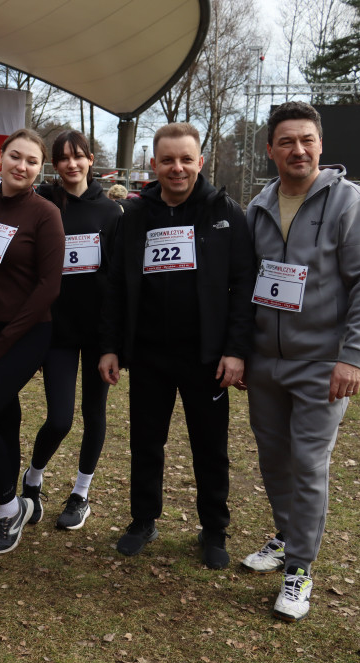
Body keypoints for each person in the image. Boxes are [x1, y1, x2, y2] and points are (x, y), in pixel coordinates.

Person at [242, 101, 360, 622]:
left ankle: (300, 567)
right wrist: (241, 352)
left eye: (306, 140)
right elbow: (243, 286)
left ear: (320, 145)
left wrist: (353, 357)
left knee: (307, 463)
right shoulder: (258, 207)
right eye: (286, 142)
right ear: (271, 150)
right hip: (265, 363)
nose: (297, 150)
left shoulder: (350, 203)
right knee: (273, 460)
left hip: (323, 364)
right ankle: (286, 536)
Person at [99, 122, 254, 569]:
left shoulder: (226, 214)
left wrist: (235, 349)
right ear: (154, 164)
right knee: (146, 441)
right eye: (168, 160)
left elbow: (243, 286)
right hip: (148, 354)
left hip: (206, 356)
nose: (177, 168)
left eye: (186, 159)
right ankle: (143, 520)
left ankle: (214, 529)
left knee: (210, 446)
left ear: (200, 162)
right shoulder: (134, 216)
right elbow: (114, 286)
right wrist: (110, 346)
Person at [0, 129, 64, 554]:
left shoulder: (45, 213)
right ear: (0, 158)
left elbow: (49, 286)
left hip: (25, 332)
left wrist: (1, 343)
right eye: (15, 156)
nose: (22, 166)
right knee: (3, 418)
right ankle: (7, 504)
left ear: (41, 168)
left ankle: (9, 508)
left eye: (32, 161)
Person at [24, 131, 121, 531]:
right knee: (60, 418)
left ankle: (80, 494)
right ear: (54, 164)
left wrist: (114, 340)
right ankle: (32, 479)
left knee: (94, 414)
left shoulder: (112, 212)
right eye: (63, 158)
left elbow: (117, 280)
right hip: (58, 331)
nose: (71, 164)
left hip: (98, 335)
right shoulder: (45, 205)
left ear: (90, 159)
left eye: (78, 157)